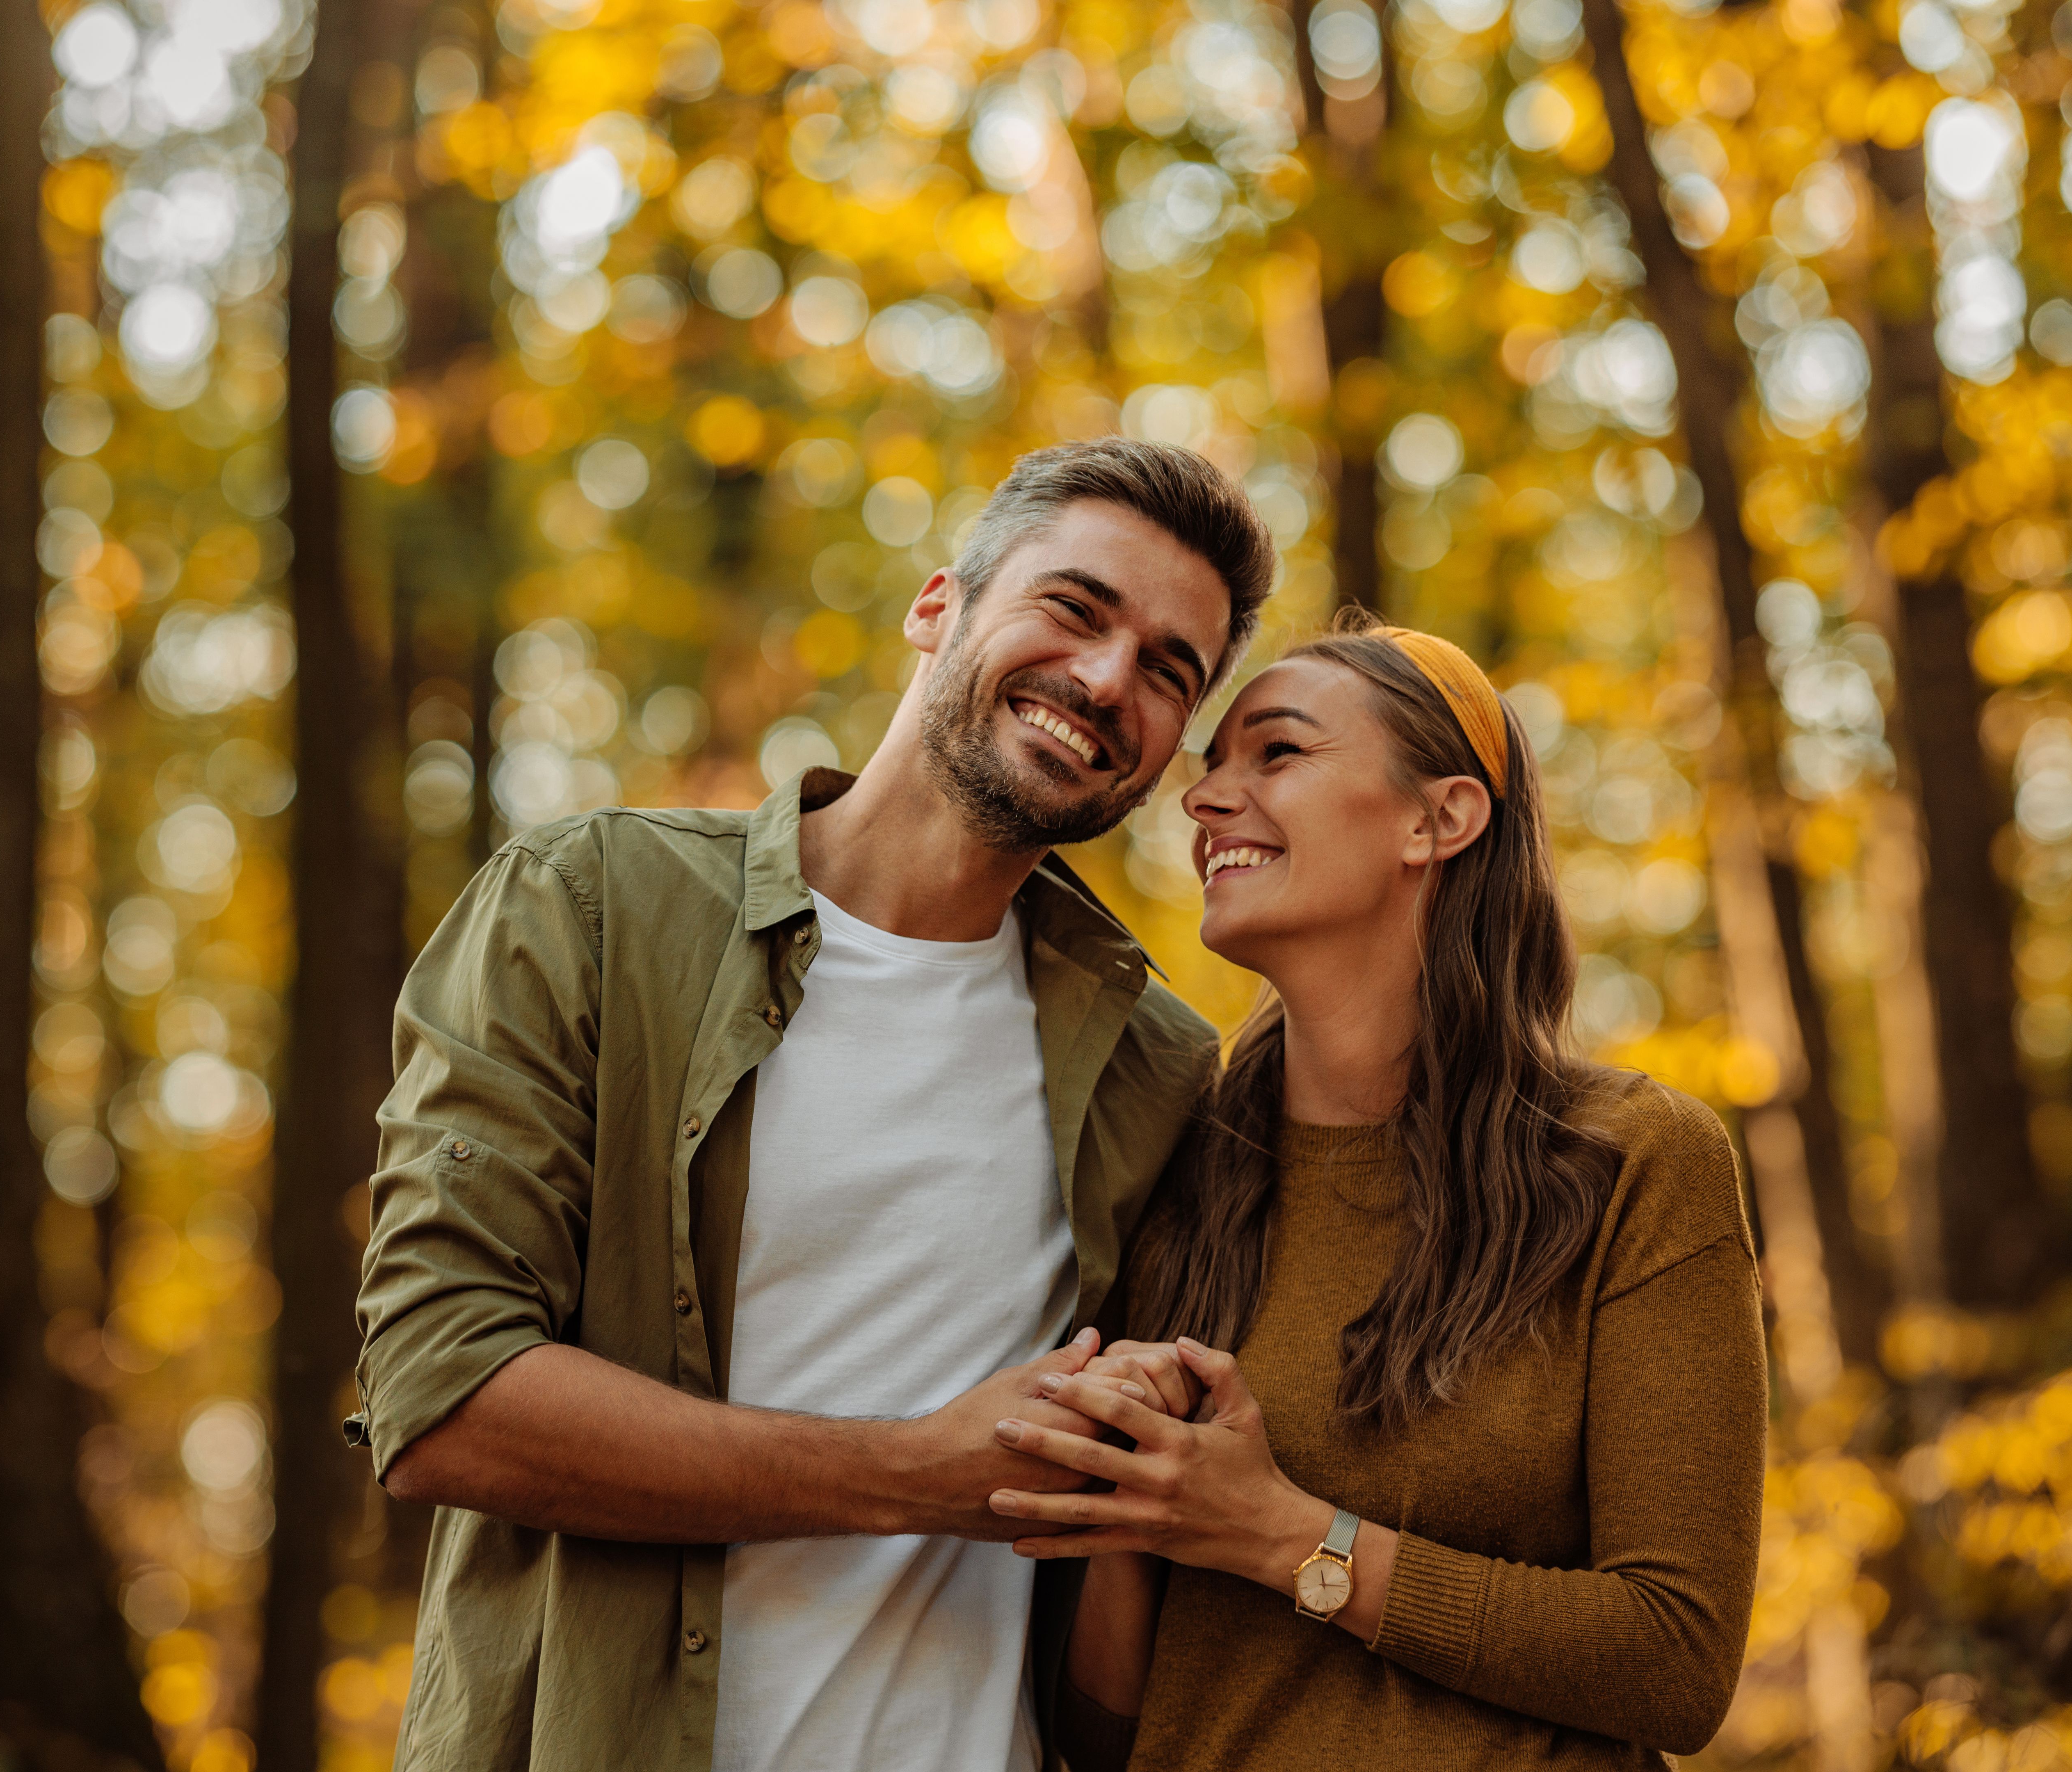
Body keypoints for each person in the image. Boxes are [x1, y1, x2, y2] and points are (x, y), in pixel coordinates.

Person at [348, 438, 1278, 1772]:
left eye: (1169, 671)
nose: (1106, 679)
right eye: (1074, 609)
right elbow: (439, 1398)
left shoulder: (1160, 1072)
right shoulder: (592, 911)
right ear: (938, 605)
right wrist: (918, 1476)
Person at [986, 617, 1768, 1770]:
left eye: (1278, 754)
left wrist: (1287, 1538)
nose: (1206, 804)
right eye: (1209, 772)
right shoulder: (1172, 1166)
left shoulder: (1635, 1162)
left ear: (1438, 819)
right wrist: (1138, 1506)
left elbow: (1674, 1662)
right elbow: (1108, 1735)